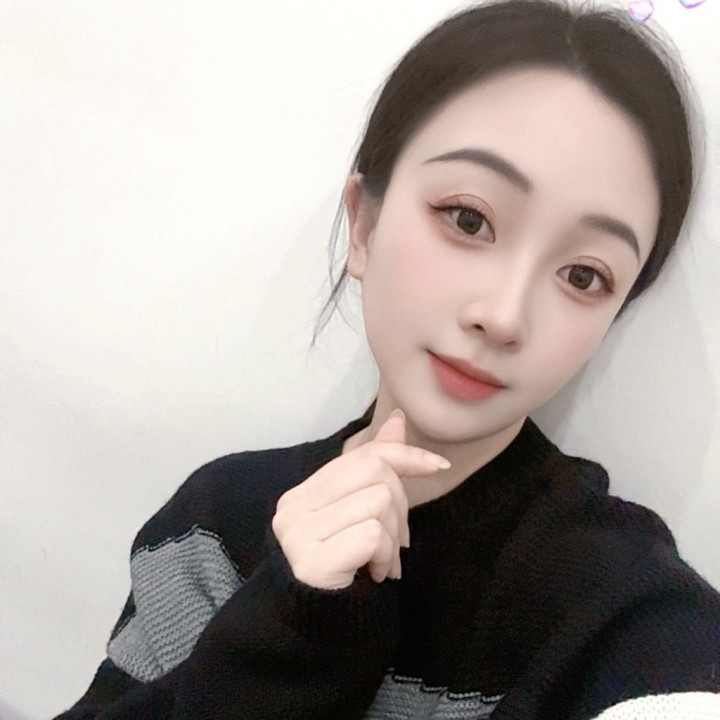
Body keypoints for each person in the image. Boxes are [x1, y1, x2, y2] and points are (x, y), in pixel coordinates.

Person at [54, 0, 720, 718]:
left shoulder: (622, 606)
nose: (503, 316)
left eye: (584, 276)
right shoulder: (214, 527)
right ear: (365, 225)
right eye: (469, 218)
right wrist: (284, 634)